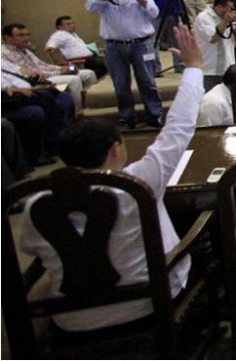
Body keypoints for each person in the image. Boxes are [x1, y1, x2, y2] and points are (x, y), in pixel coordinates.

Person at [19, 24, 204, 332]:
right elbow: (179, 125)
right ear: (117, 150)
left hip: (71, 321)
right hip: (150, 304)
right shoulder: (141, 180)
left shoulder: (34, 203)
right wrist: (195, 67)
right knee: (201, 233)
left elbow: (32, 249)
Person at [85, 0, 163, 129]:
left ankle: (154, 115)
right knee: (120, 85)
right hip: (114, 47)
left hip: (141, 44)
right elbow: (91, 8)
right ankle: (127, 118)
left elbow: (154, 13)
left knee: (147, 82)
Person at [2, 23, 95, 114]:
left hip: (47, 75)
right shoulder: (4, 53)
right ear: (7, 38)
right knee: (74, 80)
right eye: (21, 35)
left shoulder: (25, 49)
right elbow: (29, 75)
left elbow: (43, 65)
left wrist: (62, 68)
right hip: (38, 81)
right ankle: (79, 113)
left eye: (27, 35)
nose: (26, 38)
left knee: (88, 73)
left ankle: (93, 105)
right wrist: (60, 73)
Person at [2, 68, 75, 166]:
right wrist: (17, 89)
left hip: (22, 89)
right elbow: (6, 87)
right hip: (6, 101)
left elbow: (18, 73)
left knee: (61, 96)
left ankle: (57, 141)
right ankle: (45, 149)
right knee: (39, 105)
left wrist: (32, 79)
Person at [194, 0, 236, 91]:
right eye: (229, 8)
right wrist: (225, 21)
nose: (231, 11)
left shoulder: (228, 17)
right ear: (219, 7)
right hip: (211, 70)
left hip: (228, 66)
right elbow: (213, 38)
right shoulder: (204, 17)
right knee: (211, 100)